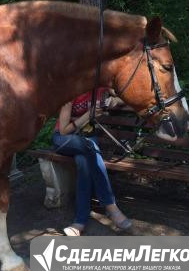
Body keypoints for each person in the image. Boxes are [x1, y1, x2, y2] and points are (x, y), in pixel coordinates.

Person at [53, 88, 132, 236]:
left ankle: (79, 222)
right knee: (91, 147)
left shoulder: (101, 87)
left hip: (88, 139)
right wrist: (88, 116)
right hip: (65, 140)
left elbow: (129, 98)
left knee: (84, 163)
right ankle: (110, 205)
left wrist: (115, 100)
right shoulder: (71, 93)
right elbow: (63, 131)